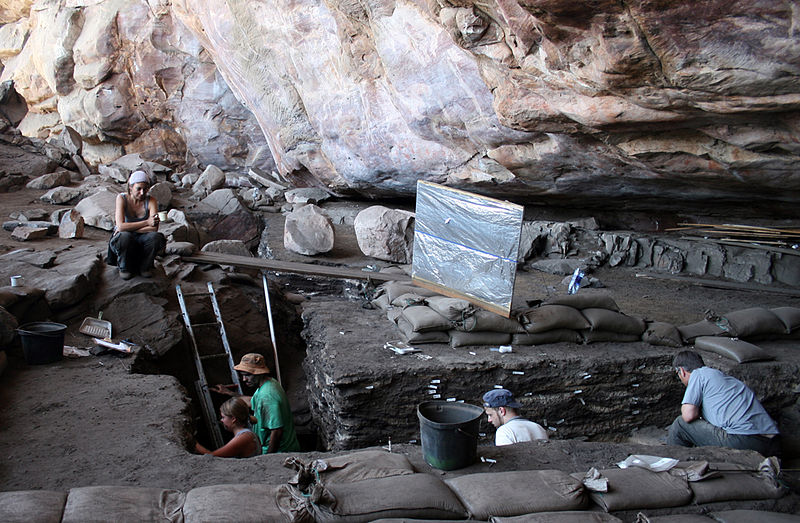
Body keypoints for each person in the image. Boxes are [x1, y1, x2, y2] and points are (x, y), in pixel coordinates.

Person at [668, 350, 780, 457]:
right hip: (771, 442)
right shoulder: (724, 378)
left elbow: (688, 415)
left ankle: (669, 464)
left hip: (744, 441)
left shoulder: (698, 374)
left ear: (681, 371)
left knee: (680, 424)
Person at [214, 353, 300, 454]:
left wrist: (269, 457)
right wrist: (228, 393)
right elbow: (253, 401)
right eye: (243, 375)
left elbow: (277, 431)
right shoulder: (269, 384)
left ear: (259, 373)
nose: (244, 379)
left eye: (248, 375)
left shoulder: (267, 396)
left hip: (281, 452)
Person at [108, 170, 166, 280]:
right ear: (130, 187)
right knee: (124, 236)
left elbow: (154, 229)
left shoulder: (151, 201)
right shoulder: (122, 198)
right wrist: (146, 222)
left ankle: (145, 267)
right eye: (138, 189)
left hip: (141, 237)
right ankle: (124, 267)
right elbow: (120, 226)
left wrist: (129, 228)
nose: (142, 192)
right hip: (126, 238)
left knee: (156, 237)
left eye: (145, 189)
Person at [195, 397, 261, 458]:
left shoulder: (243, 438)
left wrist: (193, 442)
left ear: (233, 419)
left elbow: (212, 456)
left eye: (223, 417)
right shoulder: (248, 435)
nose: (221, 420)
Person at [482, 388, 548, 446]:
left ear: (501, 411)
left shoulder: (504, 432)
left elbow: (507, 459)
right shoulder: (539, 428)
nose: (489, 420)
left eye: (490, 415)